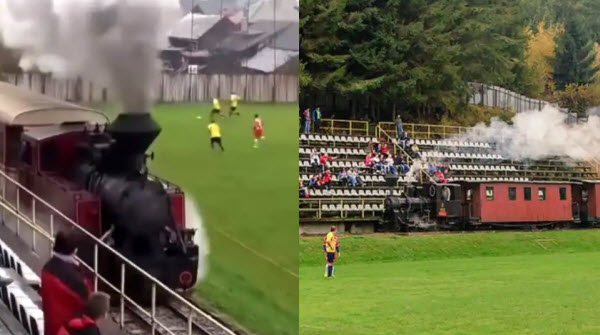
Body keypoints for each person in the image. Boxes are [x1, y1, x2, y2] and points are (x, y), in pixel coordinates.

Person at [42, 231, 93, 335]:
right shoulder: (76, 279)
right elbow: (88, 301)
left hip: (51, 327)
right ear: (75, 250)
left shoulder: (47, 268)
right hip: (70, 329)